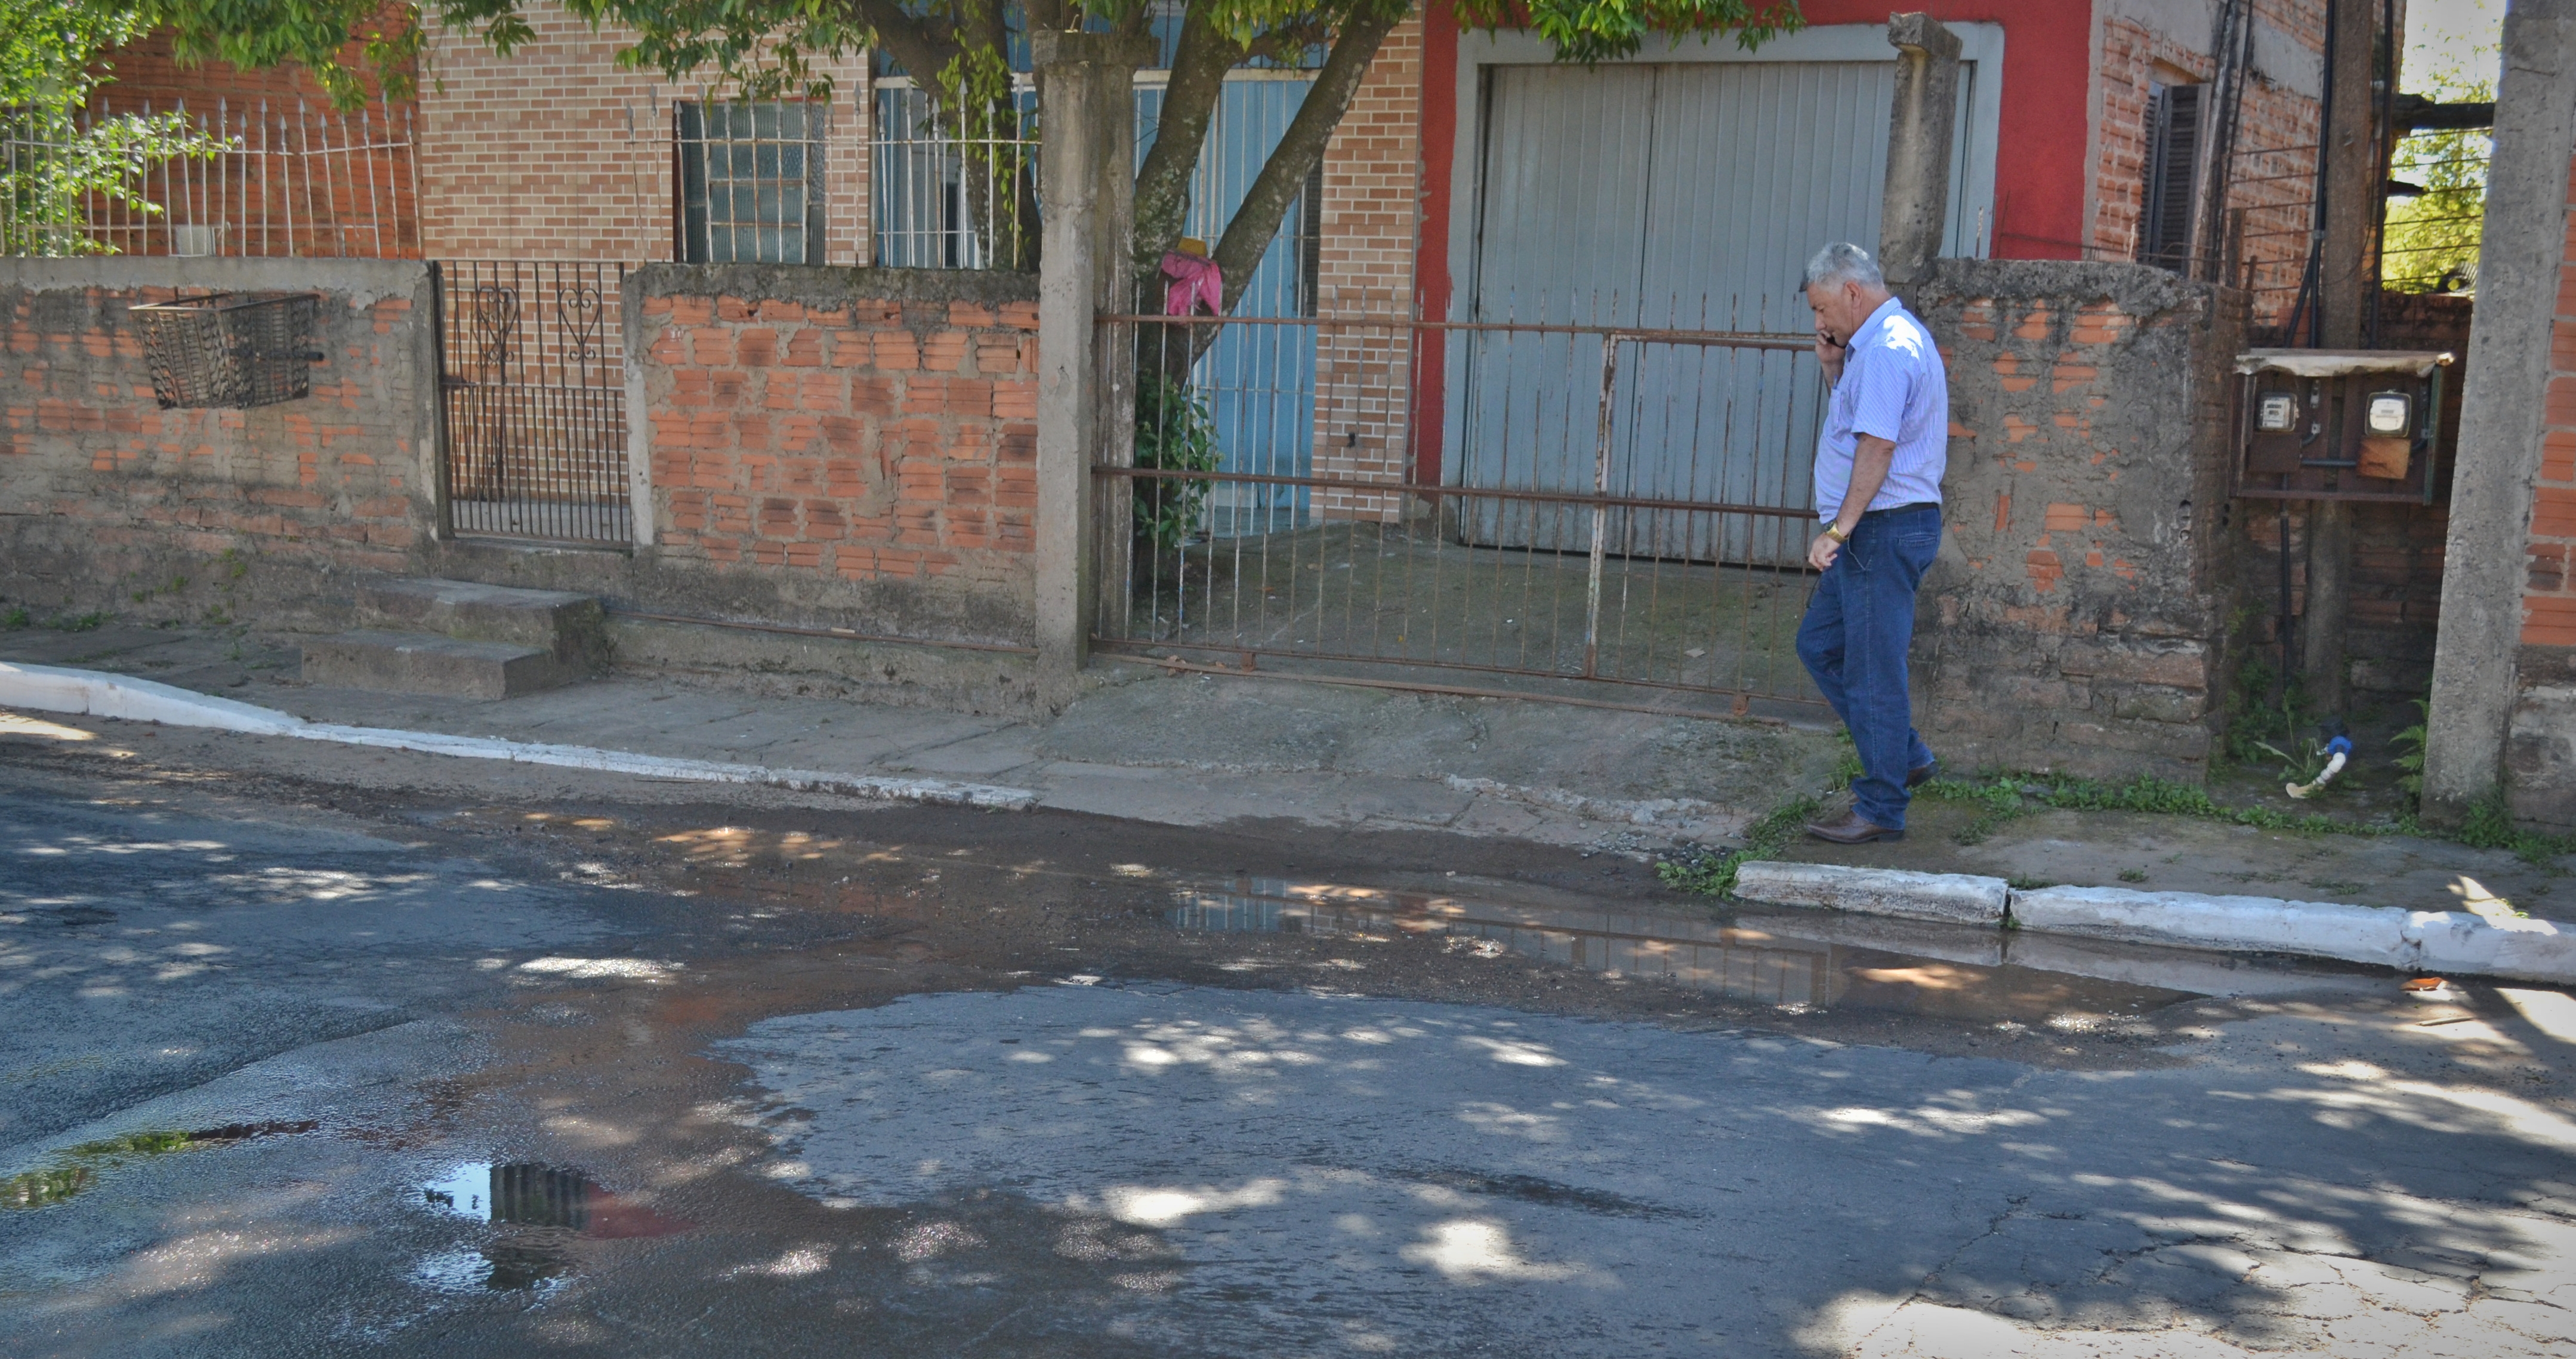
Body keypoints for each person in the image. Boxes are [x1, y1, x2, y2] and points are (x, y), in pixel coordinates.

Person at [1793, 242, 1948, 844]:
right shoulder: (1871, 348)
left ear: (1851, 292)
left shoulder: (1886, 349)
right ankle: (1904, 754)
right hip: (1877, 529)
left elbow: (1878, 448)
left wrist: (1839, 529)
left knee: (1871, 671)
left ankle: (1882, 807)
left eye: (1822, 308)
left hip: (1879, 530)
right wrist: (1833, 370)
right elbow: (1863, 425)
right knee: (1821, 645)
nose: (1820, 323)